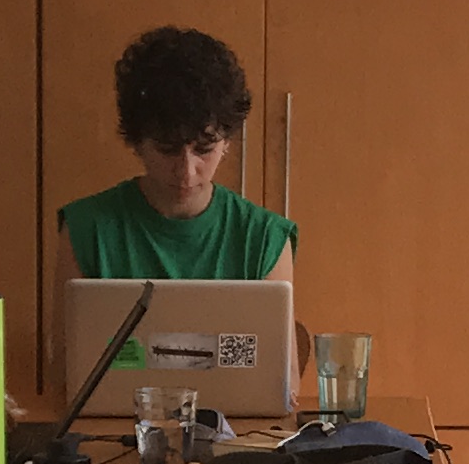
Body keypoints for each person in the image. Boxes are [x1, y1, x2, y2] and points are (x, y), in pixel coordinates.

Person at [56, 26, 299, 286]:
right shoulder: (86, 229)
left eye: (204, 149)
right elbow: (69, 315)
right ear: (137, 142)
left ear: (227, 141)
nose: (186, 172)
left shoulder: (265, 238)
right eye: (167, 149)